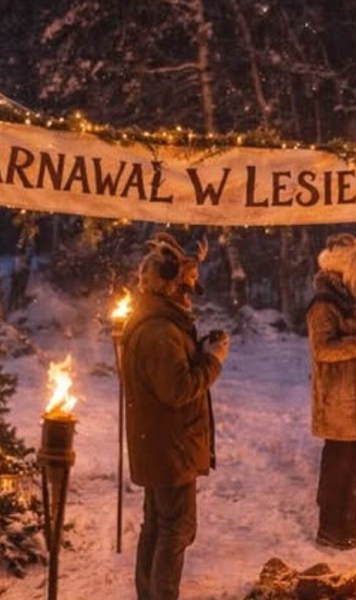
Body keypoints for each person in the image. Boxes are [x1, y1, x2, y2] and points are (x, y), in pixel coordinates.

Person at [122, 232, 228, 600]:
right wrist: (213, 360)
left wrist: (199, 352)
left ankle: (149, 594)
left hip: (163, 444)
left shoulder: (161, 323)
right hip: (171, 447)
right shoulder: (160, 331)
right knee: (176, 529)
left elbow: (171, 375)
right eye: (188, 282)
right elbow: (179, 389)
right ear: (169, 282)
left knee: (159, 524)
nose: (192, 289)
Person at [307, 233, 356, 550]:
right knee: (338, 465)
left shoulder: (353, 301)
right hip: (339, 400)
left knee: (354, 465)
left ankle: (348, 523)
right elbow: (323, 349)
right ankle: (330, 527)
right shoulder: (324, 306)